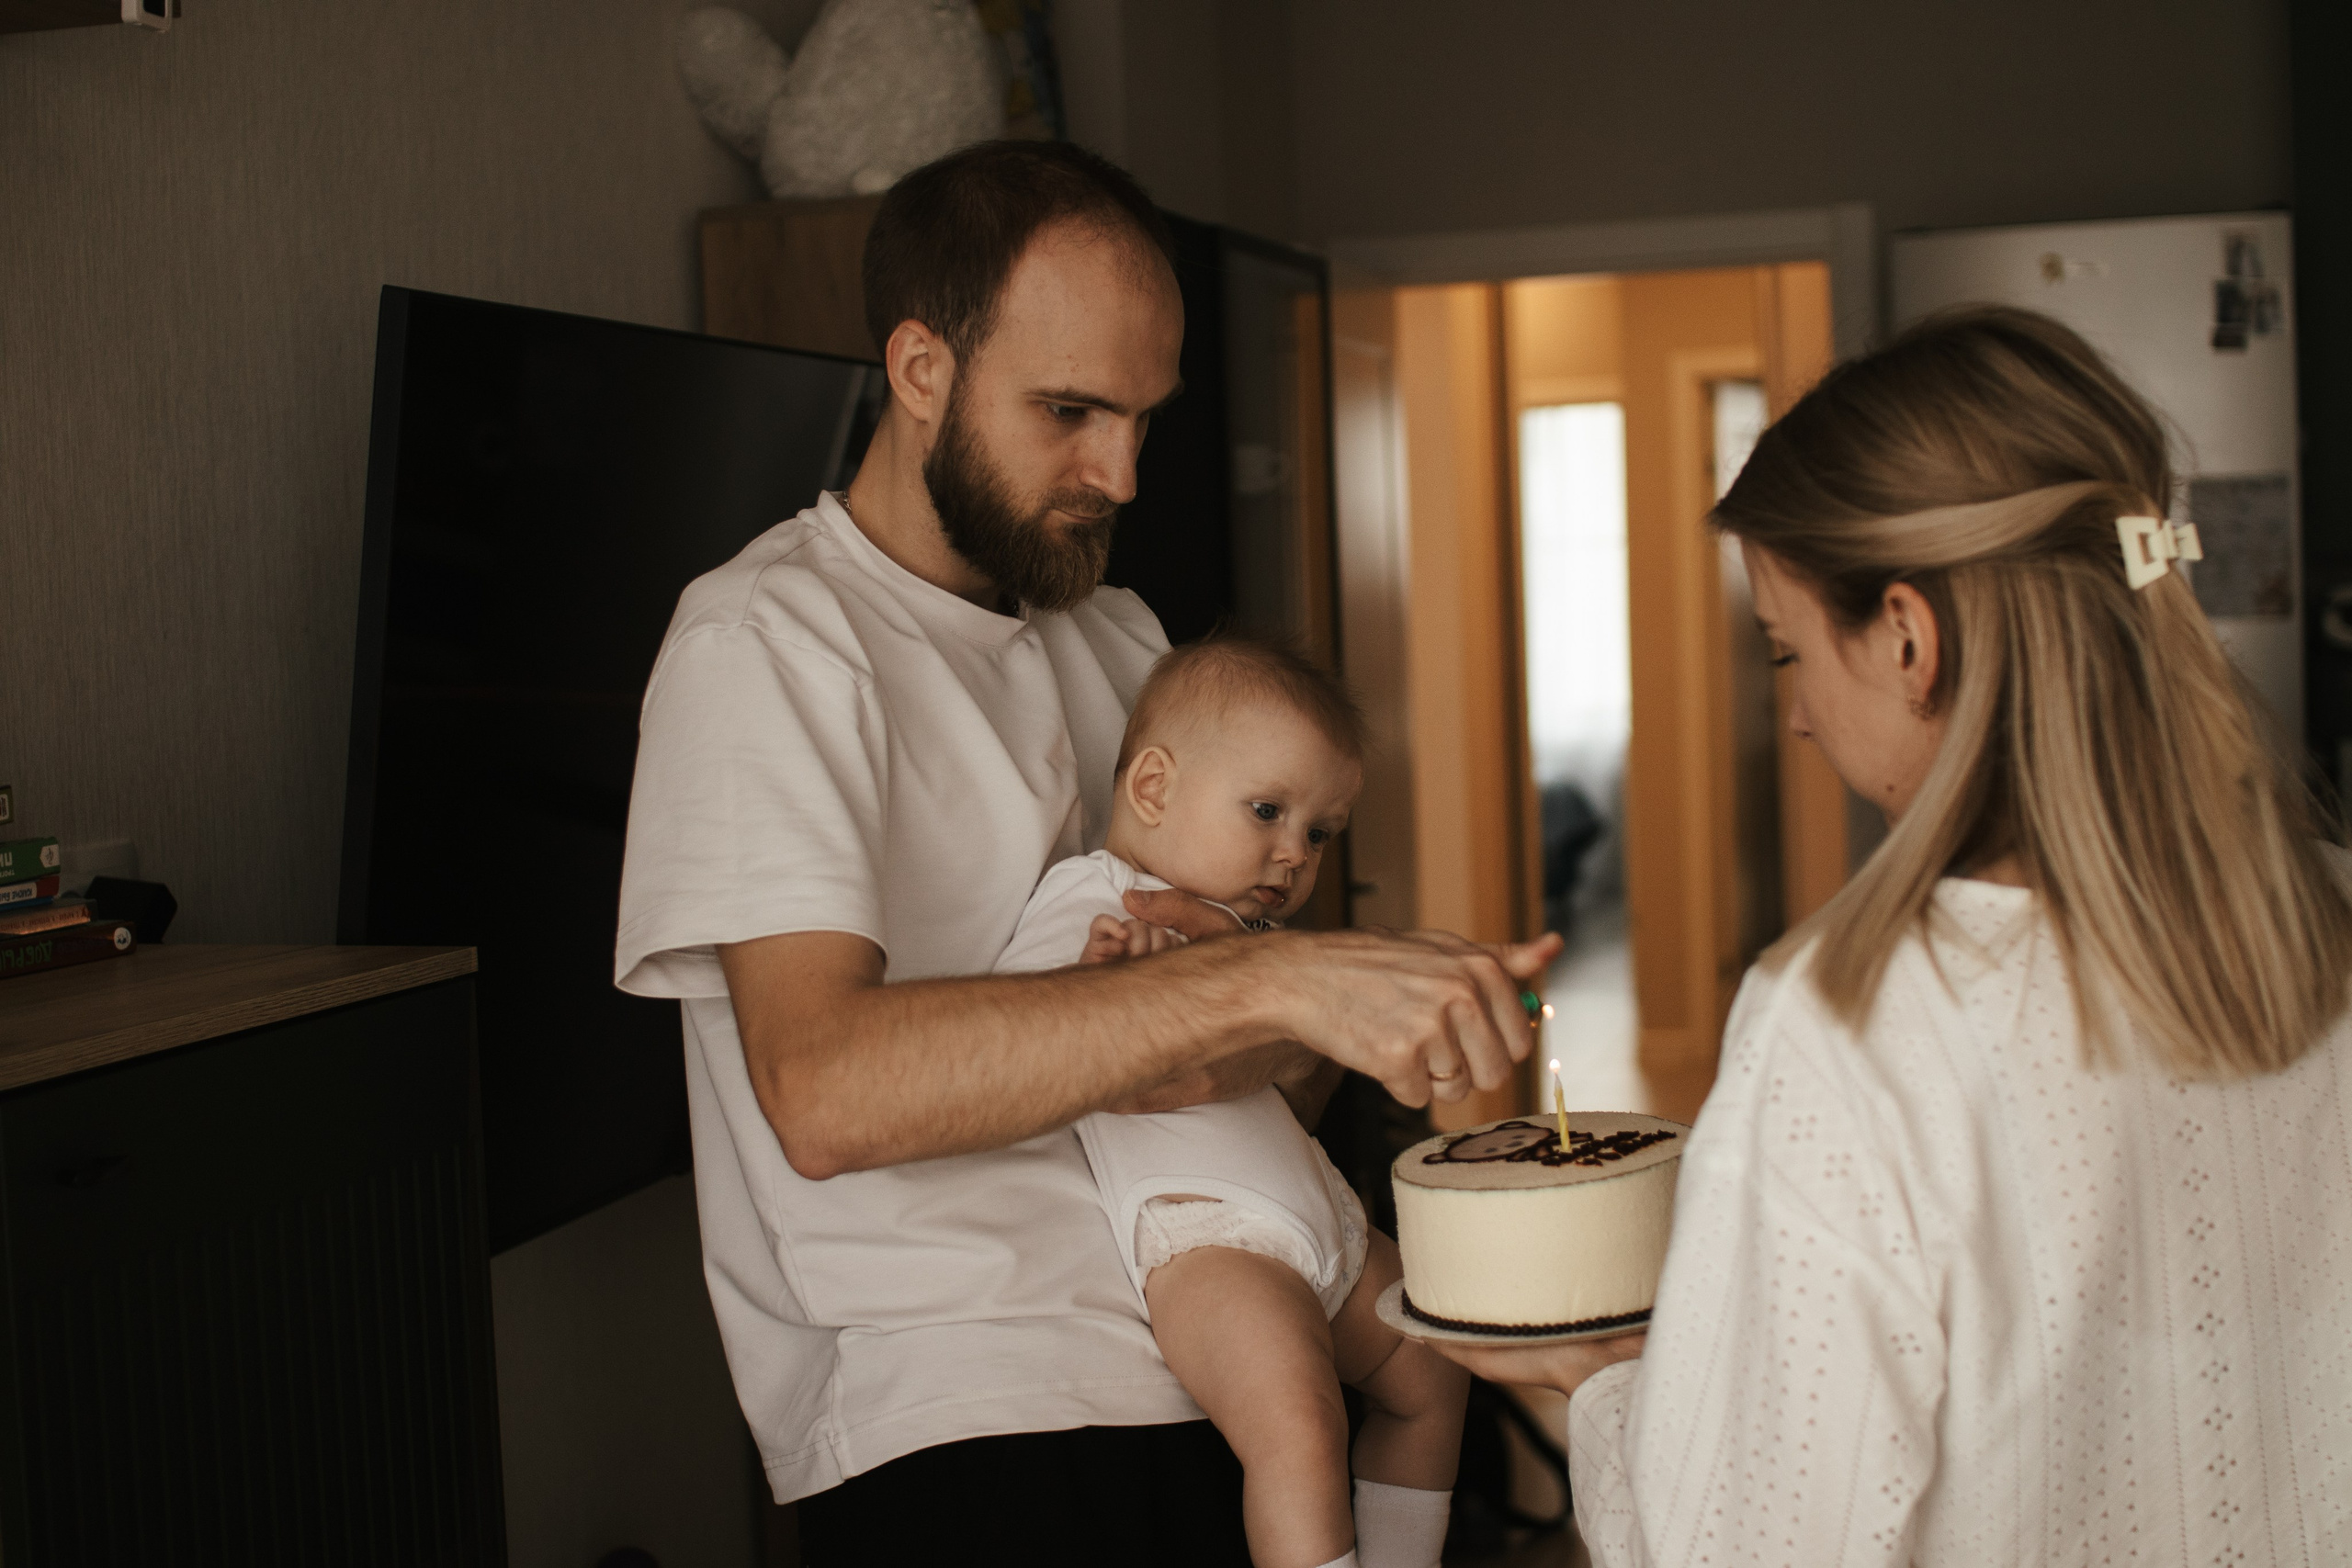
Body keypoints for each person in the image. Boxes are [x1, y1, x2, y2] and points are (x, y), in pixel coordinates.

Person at [613, 139, 1559, 1565]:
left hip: (1216, 1341)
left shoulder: (1116, 637)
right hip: (972, 1396)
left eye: (1140, 417)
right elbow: (823, 1091)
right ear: (921, 366)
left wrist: (1322, 1010)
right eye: (1068, 409)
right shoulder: (767, 646)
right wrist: (1269, 990)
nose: (1117, 471)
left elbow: (1251, 1057)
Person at [1427, 306, 2352, 1565]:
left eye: (1788, 650)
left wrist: (1595, 1388)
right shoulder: (2332, 909)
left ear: (1909, 637)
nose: (1799, 716)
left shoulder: (1850, 1023)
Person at [995, 634, 1470, 1568]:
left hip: (1323, 1224)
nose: (1292, 855)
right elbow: (1031, 1038)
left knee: (1435, 1361)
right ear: (1154, 789)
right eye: (1267, 810)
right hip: (1213, 1243)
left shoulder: (1254, 933)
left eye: (1319, 832)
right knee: (1297, 1429)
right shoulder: (1102, 898)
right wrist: (1108, 986)